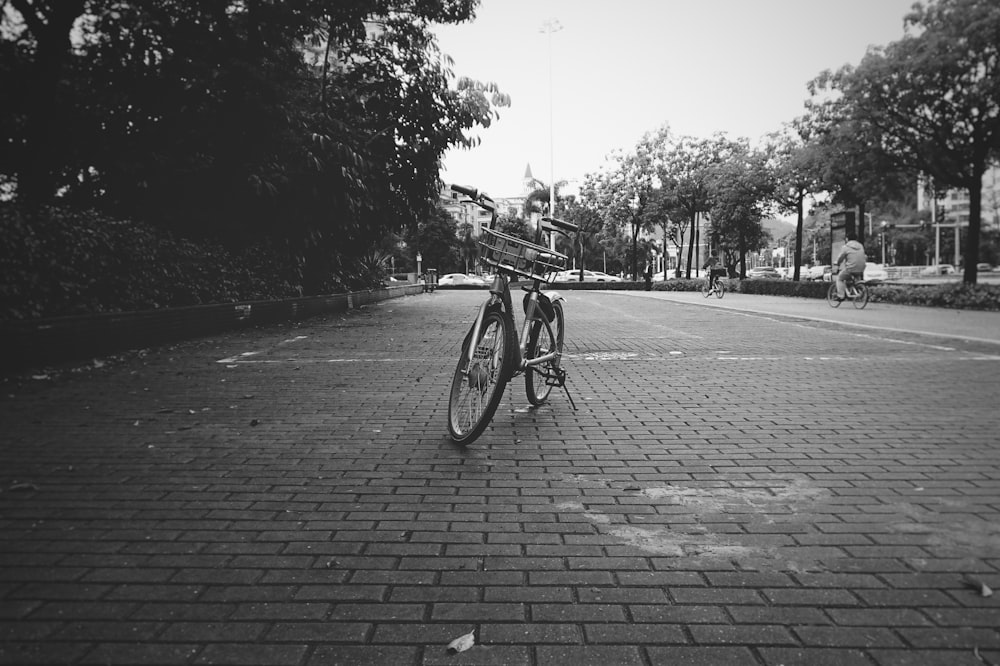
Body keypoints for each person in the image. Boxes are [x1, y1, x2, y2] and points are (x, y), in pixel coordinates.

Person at [834, 231, 866, 300]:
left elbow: (841, 257)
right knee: (854, 278)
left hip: (851, 268)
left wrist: (837, 263)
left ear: (847, 239)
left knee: (840, 278)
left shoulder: (846, 247)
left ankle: (840, 296)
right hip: (861, 268)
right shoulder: (860, 246)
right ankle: (858, 290)